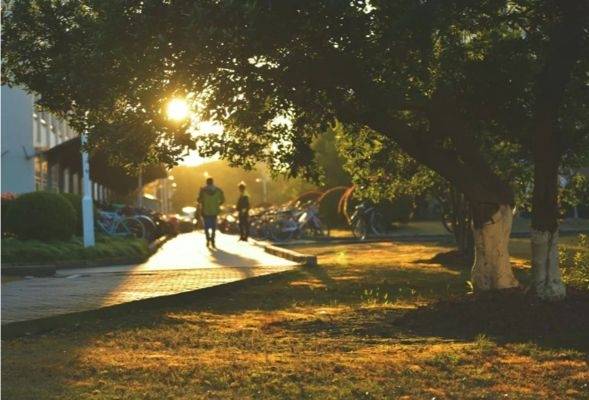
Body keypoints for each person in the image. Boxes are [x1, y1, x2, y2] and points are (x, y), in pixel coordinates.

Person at [197, 177, 225, 248]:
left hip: (205, 211)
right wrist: (217, 204)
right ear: (213, 182)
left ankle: (208, 240)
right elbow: (223, 200)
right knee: (213, 227)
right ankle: (212, 240)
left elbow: (199, 200)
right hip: (214, 211)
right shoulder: (218, 190)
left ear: (206, 183)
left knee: (206, 227)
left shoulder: (203, 190)